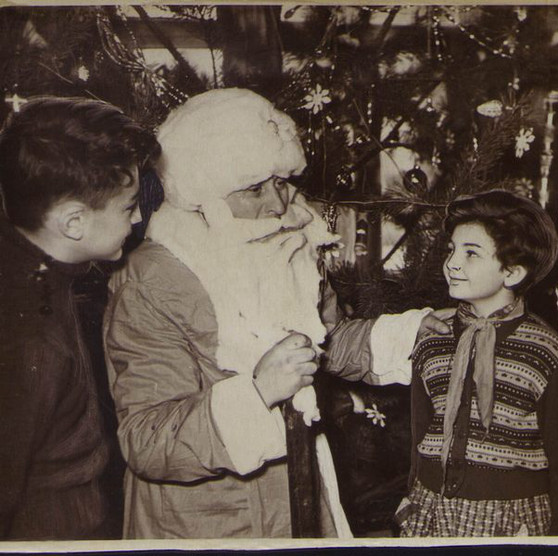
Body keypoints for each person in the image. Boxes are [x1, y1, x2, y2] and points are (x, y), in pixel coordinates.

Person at [102, 88, 447, 539]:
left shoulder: (287, 245)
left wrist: (409, 333)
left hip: (297, 501)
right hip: (206, 524)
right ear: (204, 194)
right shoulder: (153, 279)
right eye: (254, 190)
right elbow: (148, 439)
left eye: (281, 183)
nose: (278, 205)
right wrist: (258, 392)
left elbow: (326, 341)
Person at [0, 97, 159, 539]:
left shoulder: (34, 267)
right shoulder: (31, 340)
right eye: (128, 206)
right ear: (73, 222)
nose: (138, 217)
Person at [394, 190, 558, 537]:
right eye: (452, 250)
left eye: (471, 253)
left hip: (510, 523)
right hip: (432, 513)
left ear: (511, 272)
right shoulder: (431, 339)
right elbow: (419, 437)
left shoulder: (547, 352)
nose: (452, 263)